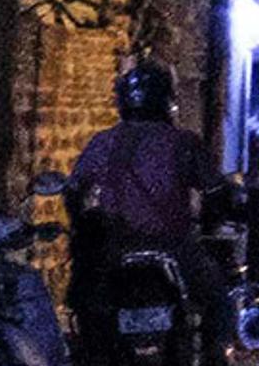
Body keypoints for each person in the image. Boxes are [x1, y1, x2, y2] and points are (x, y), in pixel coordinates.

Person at [64, 54, 215, 335]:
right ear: (167, 101)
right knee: (218, 300)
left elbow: (75, 190)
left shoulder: (104, 142)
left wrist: (82, 224)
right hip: (173, 248)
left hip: (114, 248)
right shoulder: (183, 143)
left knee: (87, 302)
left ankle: (88, 362)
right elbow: (213, 189)